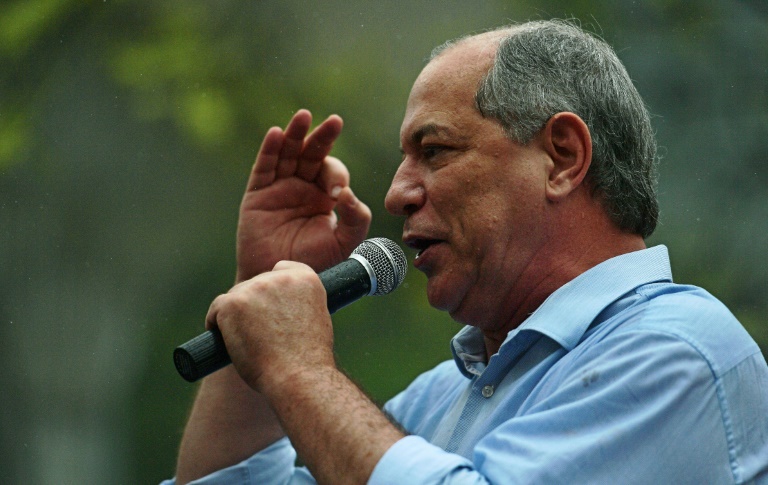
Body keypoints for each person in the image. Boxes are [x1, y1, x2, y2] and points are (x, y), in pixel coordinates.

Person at [167, 20, 768, 484]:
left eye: (435, 151)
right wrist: (264, 285)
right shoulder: (439, 395)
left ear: (562, 158)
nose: (396, 194)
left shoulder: (679, 351)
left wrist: (299, 370)